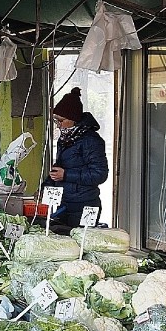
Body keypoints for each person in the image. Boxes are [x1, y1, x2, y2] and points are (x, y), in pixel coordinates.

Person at [45, 87, 109, 227]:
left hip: (85, 205)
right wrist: (47, 185)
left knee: (80, 244)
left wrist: (66, 175)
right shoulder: (66, 139)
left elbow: (100, 174)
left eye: (61, 121)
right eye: (56, 121)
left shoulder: (91, 141)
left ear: (73, 119)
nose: (58, 125)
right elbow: (61, 167)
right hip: (65, 203)